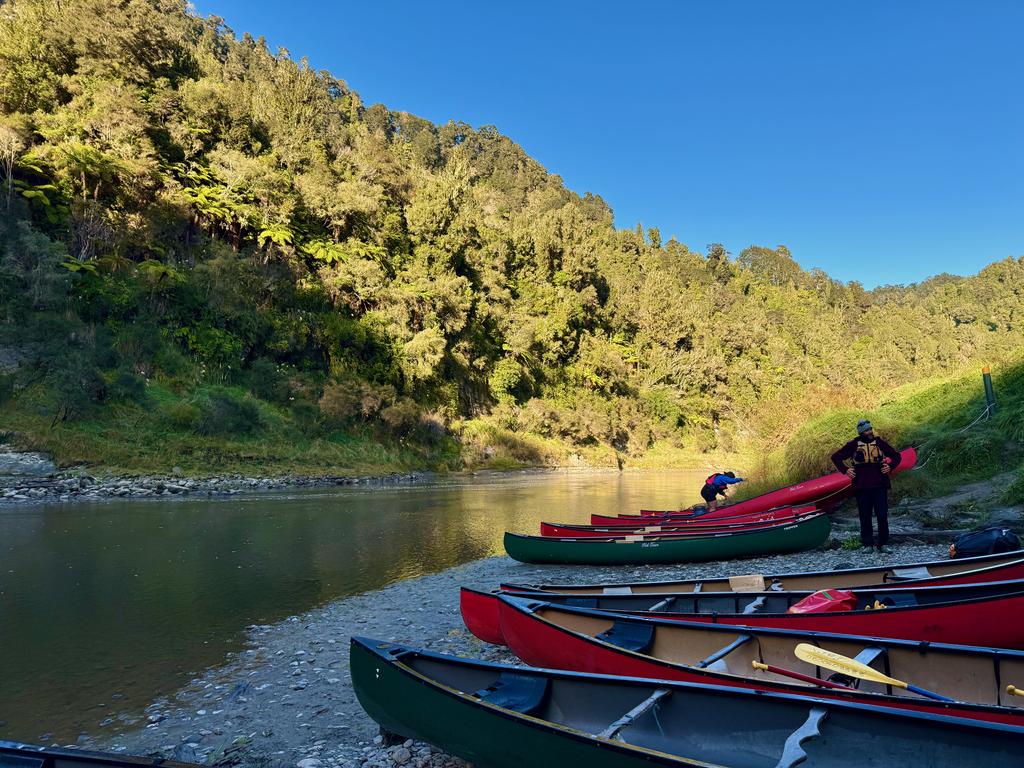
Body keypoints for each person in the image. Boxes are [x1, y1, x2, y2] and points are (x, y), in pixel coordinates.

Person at [830, 419, 902, 554]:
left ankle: (883, 544)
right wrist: (845, 470)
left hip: (880, 485)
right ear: (861, 432)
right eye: (866, 431)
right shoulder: (853, 444)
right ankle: (867, 544)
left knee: (882, 515)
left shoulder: (879, 443)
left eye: (870, 429)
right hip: (861, 487)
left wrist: (890, 466)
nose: (869, 432)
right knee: (865, 516)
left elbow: (896, 456)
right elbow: (836, 457)